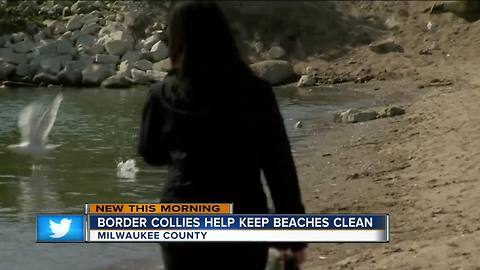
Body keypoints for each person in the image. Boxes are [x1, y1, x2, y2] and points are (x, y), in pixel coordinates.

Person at [138, 1, 306, 269]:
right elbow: (279, 168)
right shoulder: (257, 91)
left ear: (177, 39)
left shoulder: (163, 94)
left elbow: (151, 154)